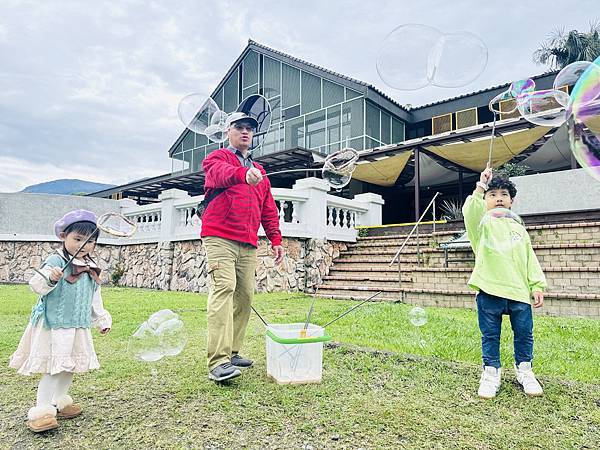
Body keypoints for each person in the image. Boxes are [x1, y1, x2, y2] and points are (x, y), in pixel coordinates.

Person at [9, 210, 111, 432]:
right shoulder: (56, 261)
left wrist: (101, 319)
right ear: (64, 236)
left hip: (77, 325)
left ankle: (60, 399)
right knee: (53, 368)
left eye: (90, 241)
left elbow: (94, 296)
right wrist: (51, 277)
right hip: (54, 325)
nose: (83, 246)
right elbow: (37, 285)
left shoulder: (90, 266)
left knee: (70, 365)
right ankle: (42, 410)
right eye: (78, 239)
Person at [201, 112, 284, 382]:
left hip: (247, 242)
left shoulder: (260, 172)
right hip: (219, 236)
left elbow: (268, 208)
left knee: (246, 296)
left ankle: (233, 351)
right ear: (228, 131)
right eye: (240, 127)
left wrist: (275, 239)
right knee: (224, 288)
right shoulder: (217, 158)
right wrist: (242, 174)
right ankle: (218, 361)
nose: (245, 132)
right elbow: (219, 175)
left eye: (250, 128)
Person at [462, 165, 546, 399]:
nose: (498, 198)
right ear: (486, 199)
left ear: (511, 202)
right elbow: (470, 210)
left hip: (519, 292)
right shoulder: (482, 226)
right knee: (490, 335)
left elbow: (530, 258)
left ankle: (525, 371)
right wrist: (481, 185)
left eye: (504, 195)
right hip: (489, 289)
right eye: (493, 194)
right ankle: (491, 373)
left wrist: (537, 285)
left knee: (524, 334)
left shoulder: (519, 228)